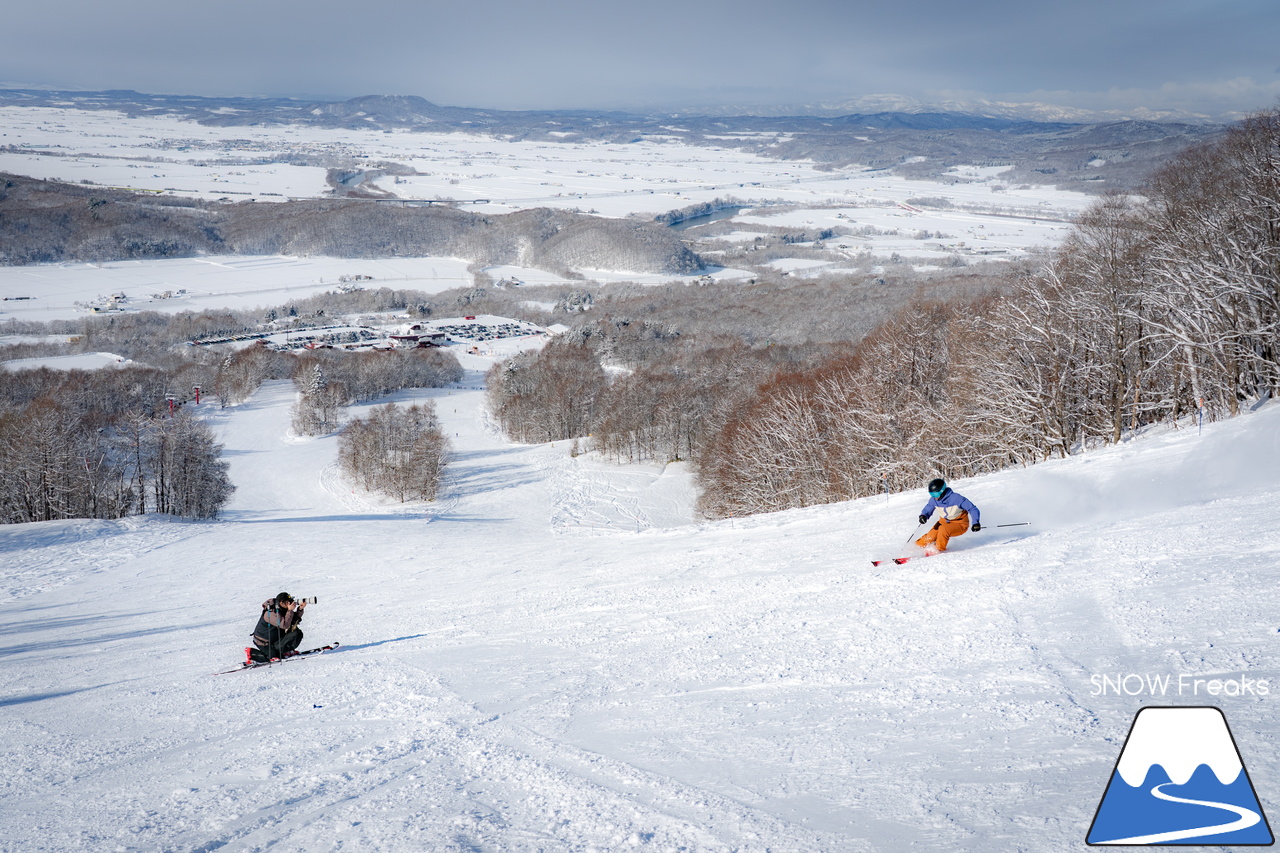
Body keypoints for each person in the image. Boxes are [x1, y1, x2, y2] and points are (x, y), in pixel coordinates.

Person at [915, 478, 981, 555]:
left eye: (935, 494)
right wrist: (924, 516)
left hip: (959, 524)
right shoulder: (934, 500)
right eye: (931, 494)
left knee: (943, 529)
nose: (934, 497)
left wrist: (975, 522)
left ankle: (938, 549)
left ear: (942, 491)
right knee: (931, 535)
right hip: (943, 522)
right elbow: (928, 508)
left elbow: (972, 508)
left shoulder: (957, 498)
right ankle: (917, 547)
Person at [249, 592, 306, 663]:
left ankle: (284, 651)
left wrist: (300, 609)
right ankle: (251, 653)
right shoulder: (270, 613)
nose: (290, 603)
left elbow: (291, 620)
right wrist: (290, 610)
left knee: (296, 633)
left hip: (274, 639)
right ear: (281, 602)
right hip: (264, 643)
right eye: (287, 602)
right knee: (273, 658)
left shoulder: (281, 608)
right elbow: (285, 625)